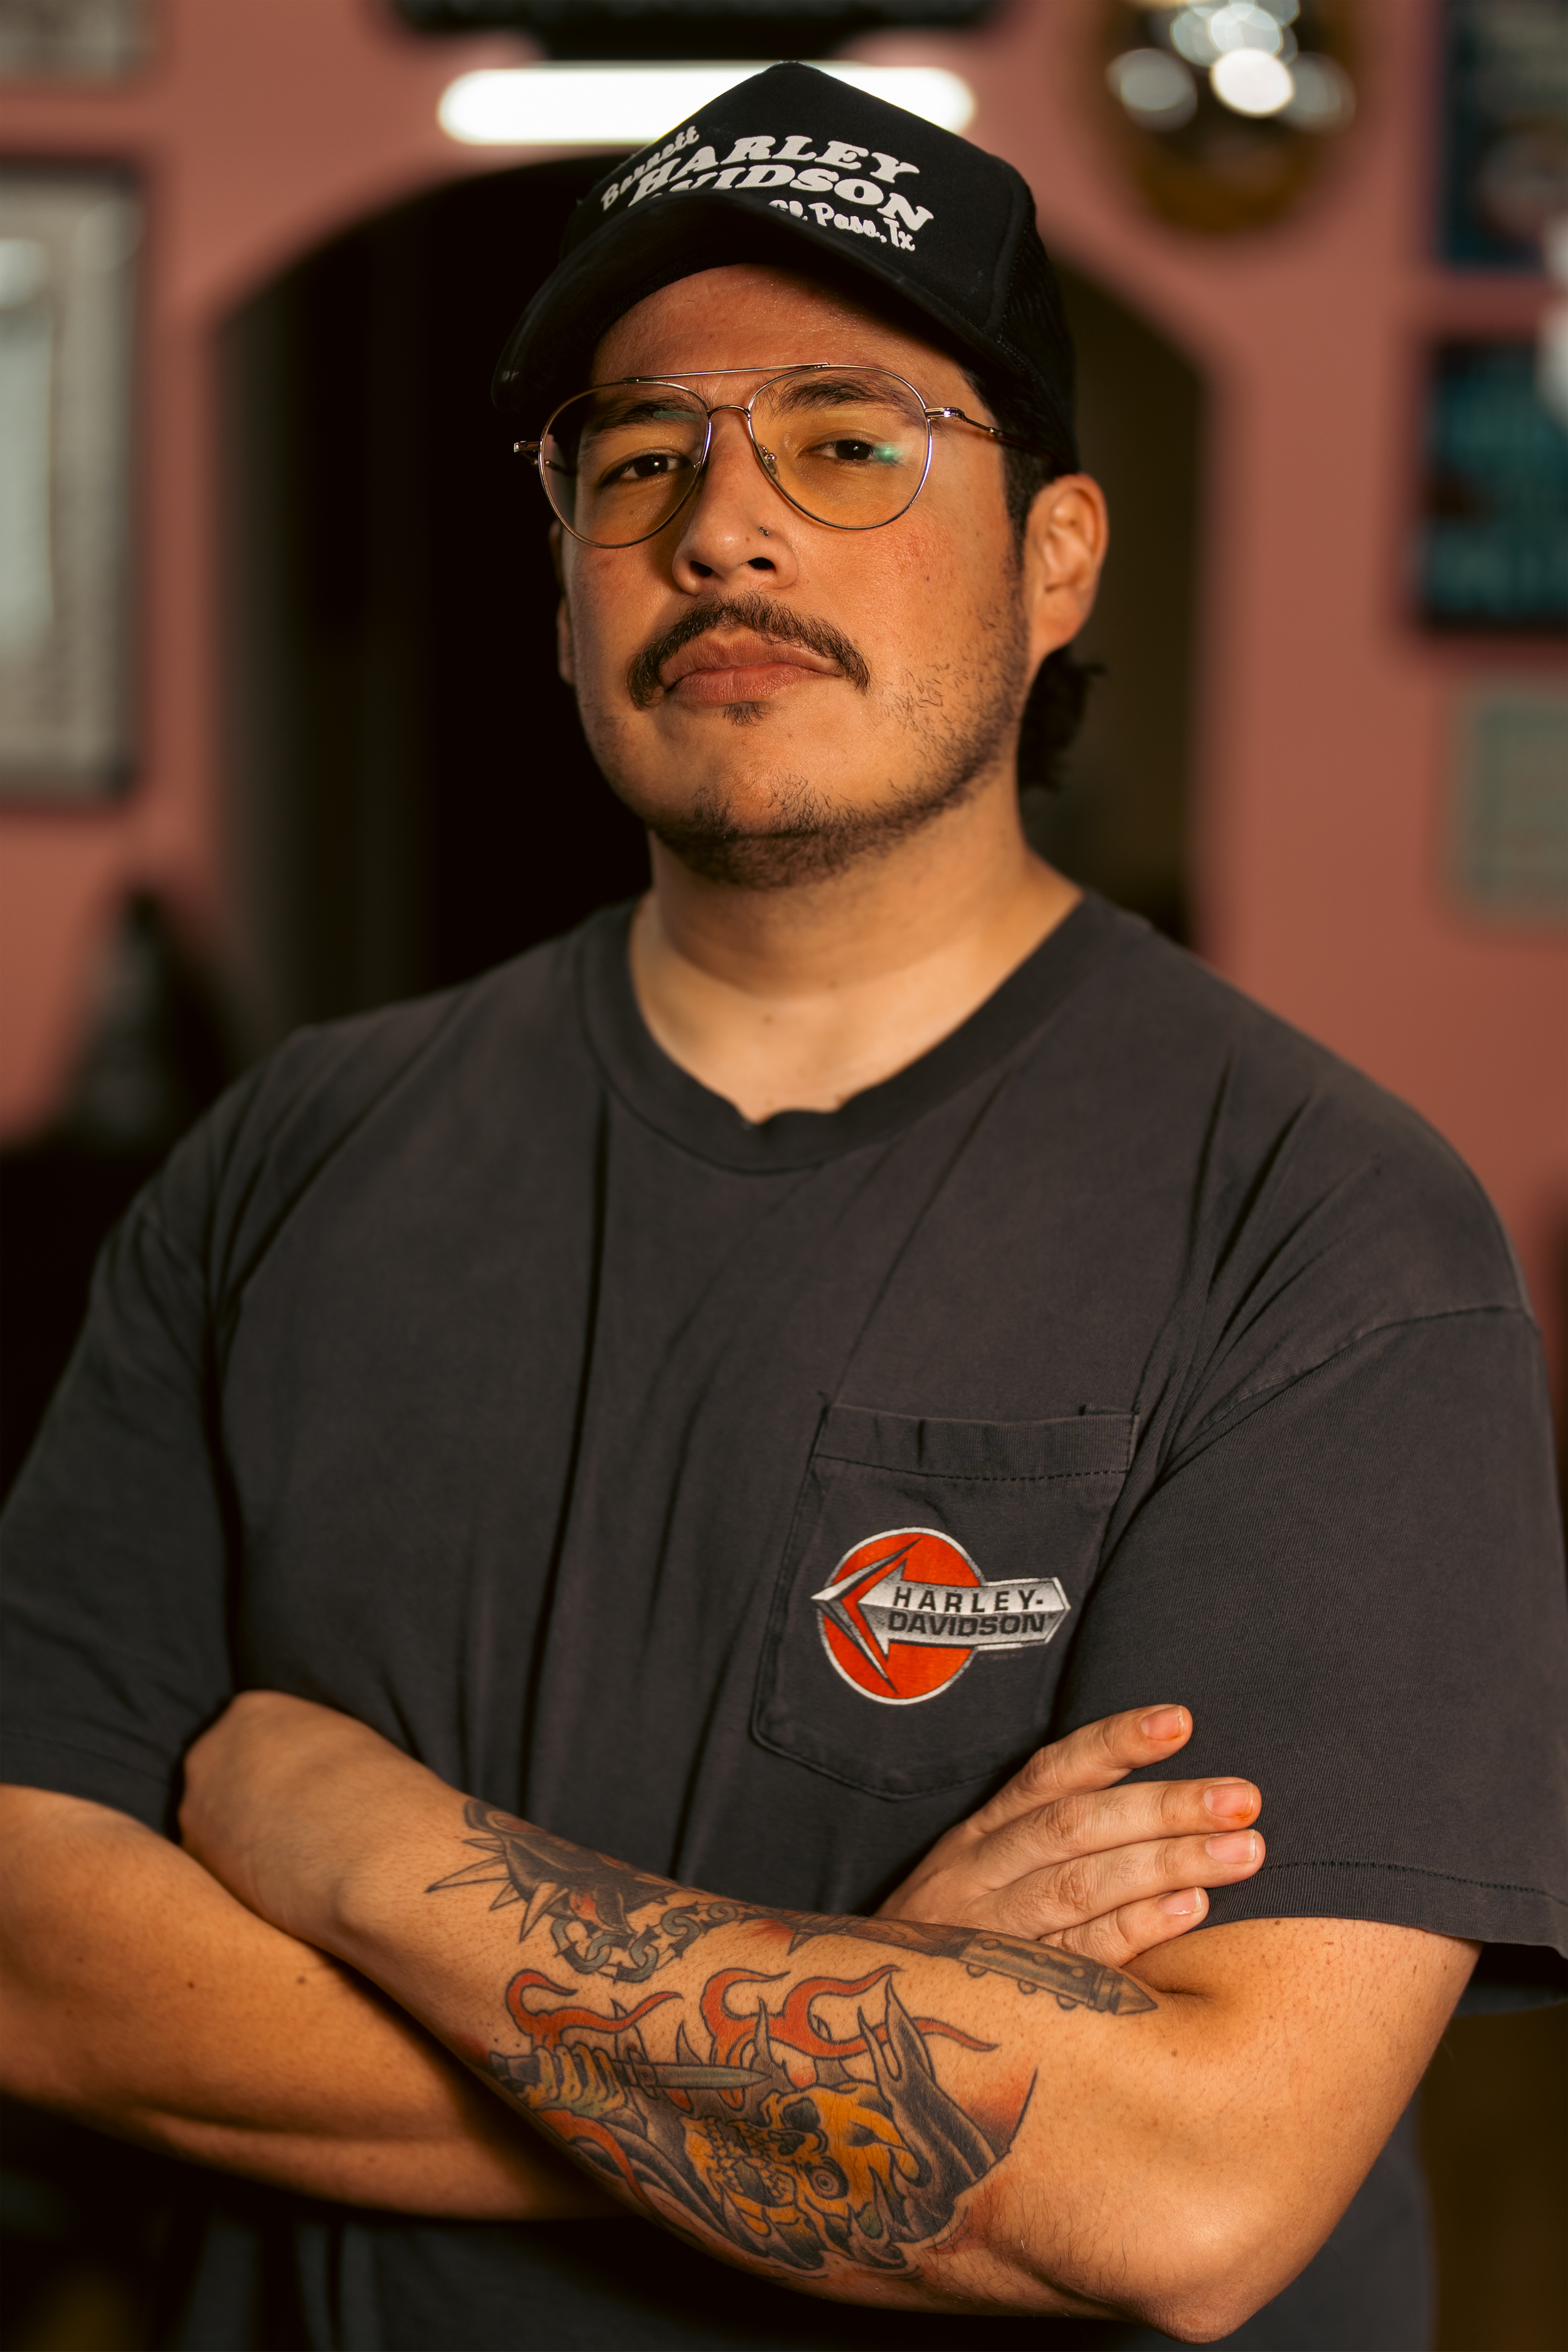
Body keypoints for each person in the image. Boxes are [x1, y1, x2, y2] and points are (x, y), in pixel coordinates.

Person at [0, 61, 1565, 2352]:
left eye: (848, 441)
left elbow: (1188, 2183)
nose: (723, 528)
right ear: (563, 584)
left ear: (1053, 559)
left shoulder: (1325, 1236)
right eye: (640, 459)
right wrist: (852, 2049)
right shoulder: (287, 1158)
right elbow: (33, 1957)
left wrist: (361, 1848)